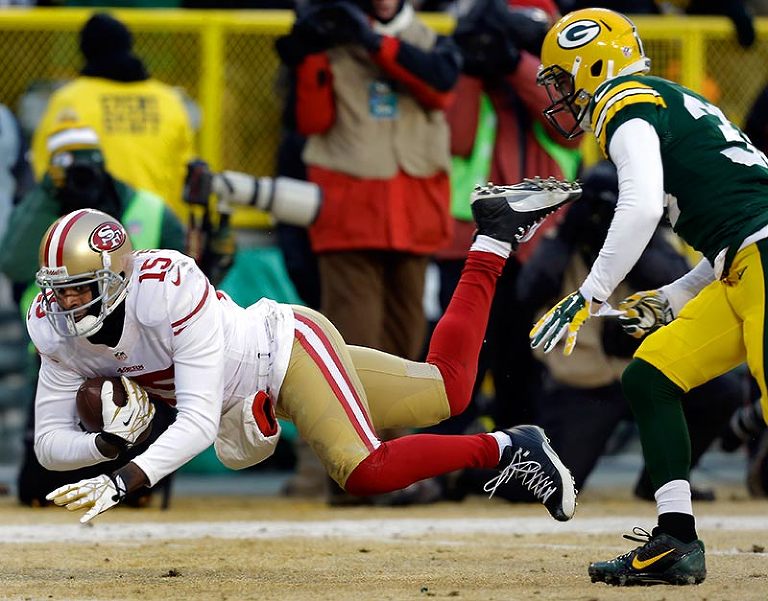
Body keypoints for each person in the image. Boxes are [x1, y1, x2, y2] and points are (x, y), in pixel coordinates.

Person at [32, 179, 580, 526]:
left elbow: (197, 421)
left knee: (363, 471)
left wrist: (124, 477)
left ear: (120, 277)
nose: (64, 302)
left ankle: (506, 449)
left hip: (285, 350)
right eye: (57, 288)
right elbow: (48, 444)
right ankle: (495, 235)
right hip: (251, 397)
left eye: (80, 287)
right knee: (447, 389)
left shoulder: (166, 288)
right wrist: (104, 445)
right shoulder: (53, 328)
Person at [531, 8, 768, 586]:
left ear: (593, 63)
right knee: (652, 375)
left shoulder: (624, 99)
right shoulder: (663, 100)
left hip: (759, 259)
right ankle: (675, 540)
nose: (561, 95)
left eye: (563, 78)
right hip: (743, 264)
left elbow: (638, 205)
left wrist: (590, 293)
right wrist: (675, 294)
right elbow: (730, 223)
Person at [275, 0, 461, 504]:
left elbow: (440, 89)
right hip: (350, 213)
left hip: (414, 214)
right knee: (351, 345)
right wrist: (312, 53)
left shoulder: (429, 42)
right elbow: (311, 122)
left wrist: (372, 42)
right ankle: (346, 469)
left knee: (405, 346)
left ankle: (398, 465)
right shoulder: (331, 48)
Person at [519, 160, 743, 498]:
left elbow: (676, 279)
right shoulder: (563, 239)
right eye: (598, 204)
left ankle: (661, 482)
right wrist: (569, 236)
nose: (603, 213)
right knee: (548, 485)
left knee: (722, 392)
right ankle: (469, 477)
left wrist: (631, 244)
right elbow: (528, 289)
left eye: (614, 205)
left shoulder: (645, 237)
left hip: (645, 369)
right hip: (587, 384)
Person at [0, 122, 186, 508]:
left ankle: (138, 471)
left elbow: (186, 277)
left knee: (138, 405)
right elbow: (14, 263)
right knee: (39, 487)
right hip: (64, 346)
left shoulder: (144, 208)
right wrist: (50, 195)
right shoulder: (46, 207)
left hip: (139, 347)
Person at [30, 12, 195, 222]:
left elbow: (45, 168)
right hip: (158, 226)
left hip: (92, 232)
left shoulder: (69, 100)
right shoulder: (169, 100)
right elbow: (185, 171)